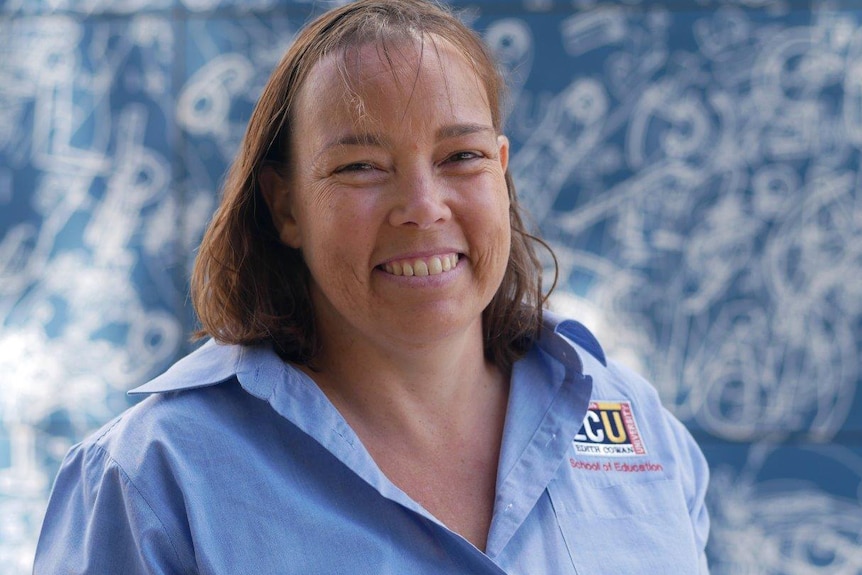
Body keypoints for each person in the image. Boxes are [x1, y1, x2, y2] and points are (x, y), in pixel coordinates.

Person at [34, 0, 710, 573]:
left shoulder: (640, 427)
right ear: (286, 206)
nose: (422, 204)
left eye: (461, 157)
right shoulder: (151, 477)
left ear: (502, 174)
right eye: (360, 166)